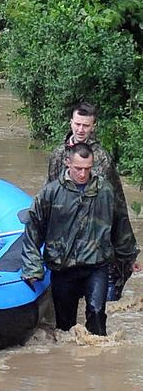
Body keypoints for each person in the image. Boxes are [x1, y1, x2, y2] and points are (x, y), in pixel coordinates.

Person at [22, 143, 139, 336]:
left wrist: (129, 256)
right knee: (65, 327)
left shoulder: (105, 191)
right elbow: (33, 230)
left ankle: (98, 359)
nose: (83, 174)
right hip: (63, 268)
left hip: (96, 265)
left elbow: (121, 224)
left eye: (87, 168)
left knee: (97, 313)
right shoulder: (51, 193)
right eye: (78, 168)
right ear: (68, 163)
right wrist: (33, 266)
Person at [47, 101, 139, 297]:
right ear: (71, 122)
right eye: (77, 124)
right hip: (65, 248)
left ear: (93, 127)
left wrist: (128, 252)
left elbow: (118, 207)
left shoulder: (102, 159)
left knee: (100, 310)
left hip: (96, 244)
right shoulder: (57, 155)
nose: (81, 130)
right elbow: (49, 198)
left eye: (86, 125)